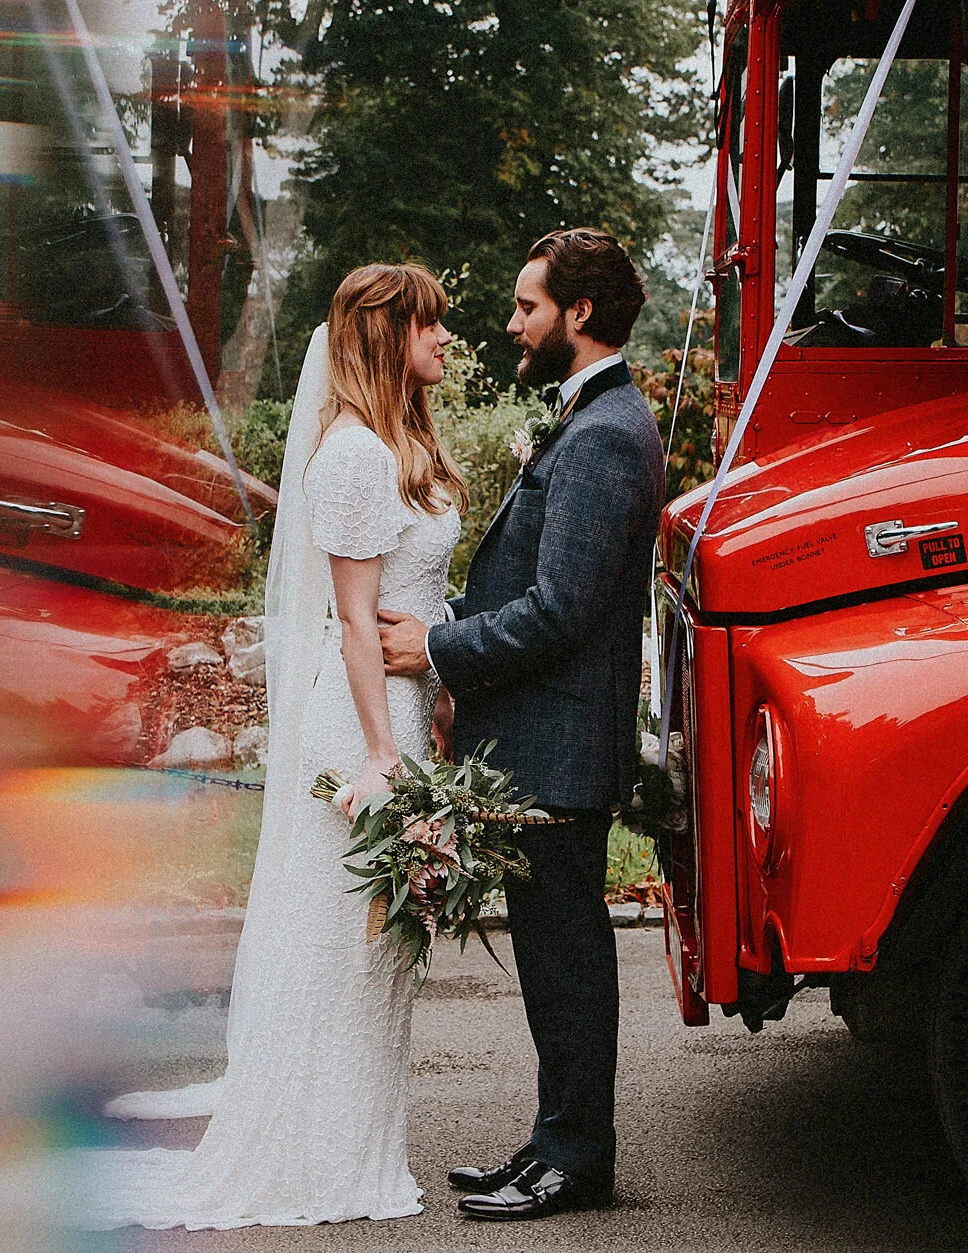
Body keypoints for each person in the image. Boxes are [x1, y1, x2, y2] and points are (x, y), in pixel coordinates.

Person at [93, 262, 463, 1228]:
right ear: (389, 336)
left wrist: (439, 701)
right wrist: (384, 758)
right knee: (345, 941)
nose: (443, 340)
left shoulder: (394, 446)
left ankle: (360, 1144)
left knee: (382, 946)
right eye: (429, 325)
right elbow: (351, 623)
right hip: (364, 726)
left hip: (406, 716)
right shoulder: (350, 459)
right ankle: (320, 1156)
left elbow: (406, 600)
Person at [378, 227, 666, 1221]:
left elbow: (563, 608)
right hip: (541, 745)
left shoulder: (604, 432)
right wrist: (453, 622)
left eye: (526, 306)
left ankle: (575, 1161)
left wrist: (438, 649)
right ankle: (552, 1144)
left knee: (569, 962)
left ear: (578, 314)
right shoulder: (591, 419)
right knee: (553, 962)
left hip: (558, 750)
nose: (510, 323)